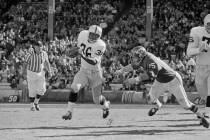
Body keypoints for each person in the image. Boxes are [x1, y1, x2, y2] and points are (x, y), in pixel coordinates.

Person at [116, 46, 209, 128]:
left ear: (141, 55)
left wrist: (135, 79)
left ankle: (201, 116)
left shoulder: (150, 60)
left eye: (135, 56)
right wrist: (122, 70)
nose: (133, 58)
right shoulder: (142, 58)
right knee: (150, 98)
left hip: (172, 80)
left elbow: (150, 75)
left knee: (185, 104)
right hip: (160, 80)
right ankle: (158, 106)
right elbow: (133, 66)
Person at [62, 25, 110, 120]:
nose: (92, 37)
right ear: (88, 33)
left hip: (96, 73)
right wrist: (73, 52)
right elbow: (78, 48)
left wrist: (82, 55)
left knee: (97, 100)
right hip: (83, 71)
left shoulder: (101, 45)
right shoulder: (83, 34)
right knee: (74, 88)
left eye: (96, 36)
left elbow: (94, 61)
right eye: (91, 34)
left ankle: (105, 105)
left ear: (99, 37)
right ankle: (69, 112)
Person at [187, 14, 210, 118]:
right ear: (205, 24)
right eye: (209, 24)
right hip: (200, 66)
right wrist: (199, 50)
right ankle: (206, 104)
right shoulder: (196, 31)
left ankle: (208, 112)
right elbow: (189, 52)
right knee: (203, 94)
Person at [23, 40, 52, 111]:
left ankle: (36, 102)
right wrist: (24, 73)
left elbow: (47, 62)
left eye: (41, 47)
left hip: (41, 73)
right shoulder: (30, 53)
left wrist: (50, 71)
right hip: (31, 72)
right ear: (34, 47)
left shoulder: (44, 53)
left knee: (42, 89)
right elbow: (25, 63)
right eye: (38, 47)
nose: (40, 48)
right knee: (32, 90)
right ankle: (32, 105)